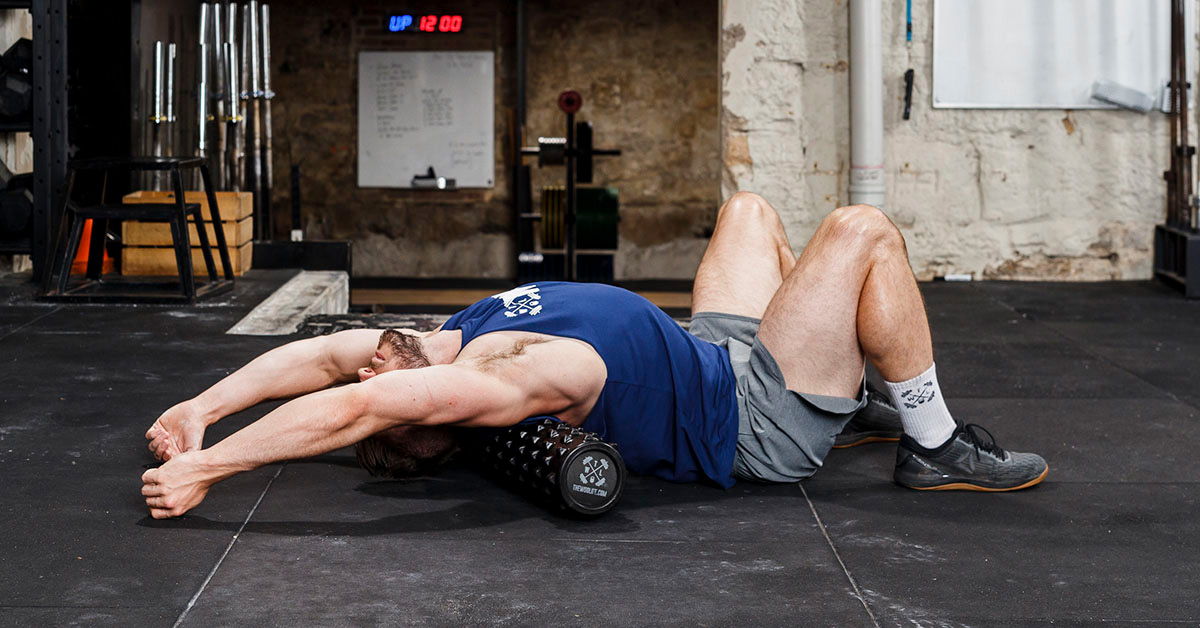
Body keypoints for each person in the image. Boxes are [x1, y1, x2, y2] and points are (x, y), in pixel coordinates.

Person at [142, 193, 1047, 519]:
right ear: (425, 401)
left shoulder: (455, 329)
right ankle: (931, 442)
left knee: (750, 213)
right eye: (383, 381)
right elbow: (355, 408)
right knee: (861, 231)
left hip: (715, 351)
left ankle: (854, 393)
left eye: (370, 365)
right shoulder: (525, 379)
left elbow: (323, 363)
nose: (362, 363)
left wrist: (202, 410)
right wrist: (213, 470)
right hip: (757, 419)